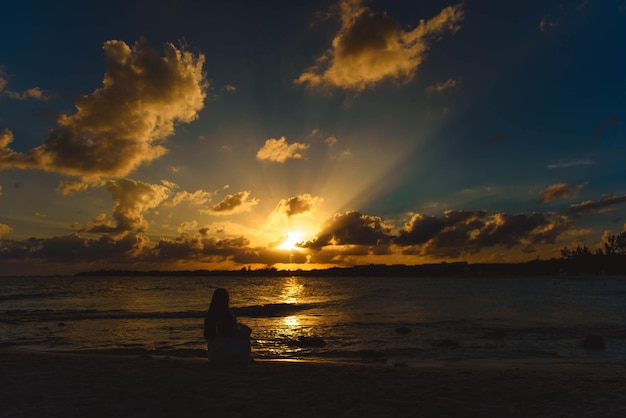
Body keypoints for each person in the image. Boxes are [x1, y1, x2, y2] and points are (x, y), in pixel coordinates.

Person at [203, 288, 251, 363]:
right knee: (245, 335)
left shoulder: (209, 317)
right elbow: (237, 334)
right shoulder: (228, 317)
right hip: (229, 356)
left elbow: (207, 336)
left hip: (215, 357)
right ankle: (245, 358)